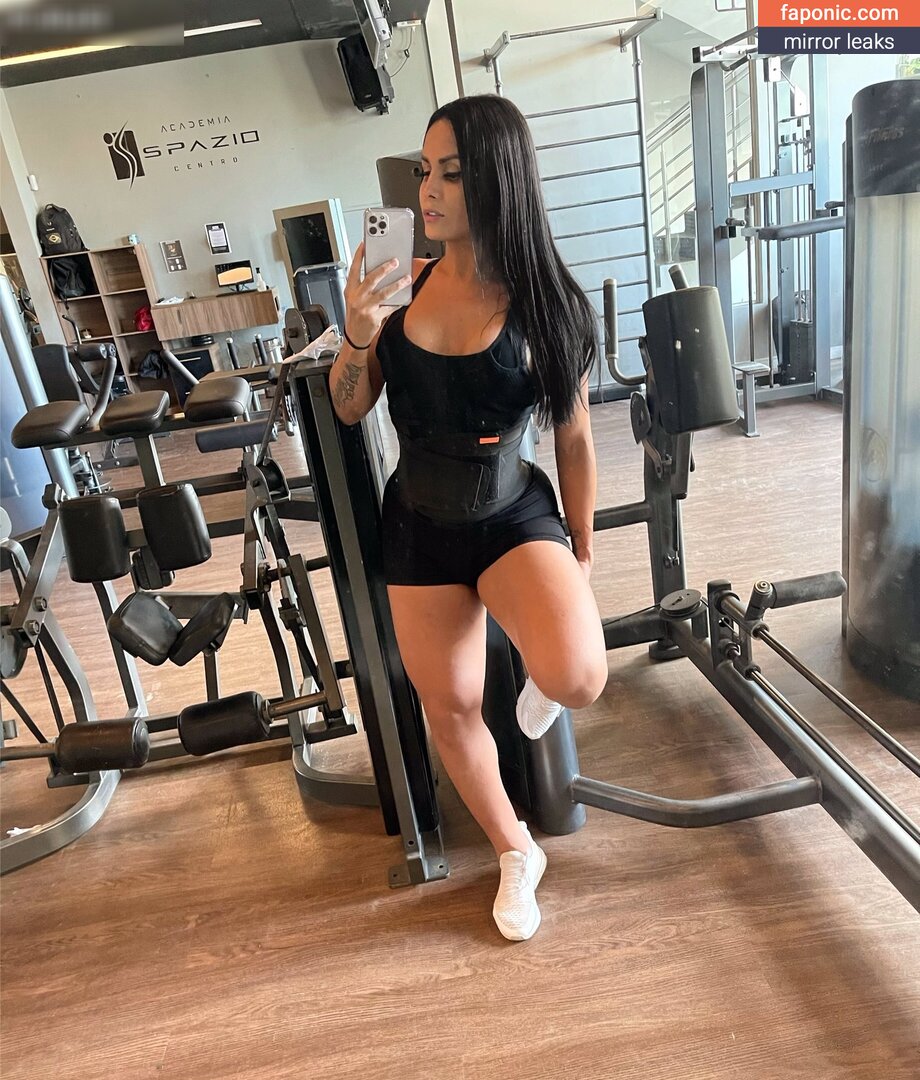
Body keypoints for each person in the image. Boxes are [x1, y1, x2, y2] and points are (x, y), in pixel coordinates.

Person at [329, 94, 608, 941]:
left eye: (450, 173)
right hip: (419, 523)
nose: (428, 191)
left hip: (511, 511)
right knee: (449, 705)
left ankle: (540, 680)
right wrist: (356, 333)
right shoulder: (397, 287)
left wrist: (582, 554)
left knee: (578, 676)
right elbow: (349, 407)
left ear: (498, 180)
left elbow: (576, 439)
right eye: (424, 171)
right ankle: (516, 851)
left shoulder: (548, 305)